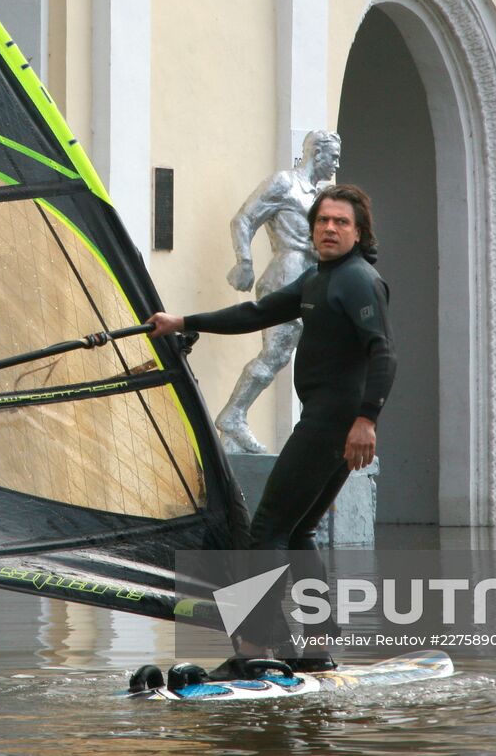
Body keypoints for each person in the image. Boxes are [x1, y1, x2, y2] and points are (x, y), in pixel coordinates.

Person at [148, 183, 396, 675]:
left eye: (341, 222)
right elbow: (256, 313)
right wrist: (182, 320)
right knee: (299, 529)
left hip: (334, 424)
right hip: (330, 423)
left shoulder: (358, 281)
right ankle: (316, 646)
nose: (329, 228)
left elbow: (383, 352)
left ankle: (258, 647)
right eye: (323, 220)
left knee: (266, 530)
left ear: (359, 231)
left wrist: (366, 420)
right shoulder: (318, 280)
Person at [214, 130, 341, 453]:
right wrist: (244, 261)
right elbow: (244, 218)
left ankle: (314, 428)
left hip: (313, 277)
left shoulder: (320, 195)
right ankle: (233, 416)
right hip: (286, 273)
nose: (336, 163)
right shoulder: (285, 183)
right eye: (333, 156)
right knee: (276, 353)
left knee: (316, 354)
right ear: (317, 153)